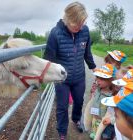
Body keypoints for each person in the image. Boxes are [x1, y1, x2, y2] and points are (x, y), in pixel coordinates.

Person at [44, 2, 96, 139]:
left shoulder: (84, 31)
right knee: (62, 106)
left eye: (82, 24)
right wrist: (48, 76)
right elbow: (48, 59)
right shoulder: (55, 34)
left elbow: (87, 53)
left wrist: (94, 68)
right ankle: (62, 131)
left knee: (79, 101)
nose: (80, 27)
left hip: (79, 76)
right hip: (62, 80)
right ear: (67, 19)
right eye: (76, 24)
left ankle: (76, 119)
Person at [83, 63, 117, 139]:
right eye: (97, 77)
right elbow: (93, 100)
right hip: (94, 119)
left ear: (111, 80)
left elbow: (114, 114)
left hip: (103, 124)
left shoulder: (112, 97)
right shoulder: (98, 89)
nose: (97, 80)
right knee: (93, 134)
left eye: (102, 79)